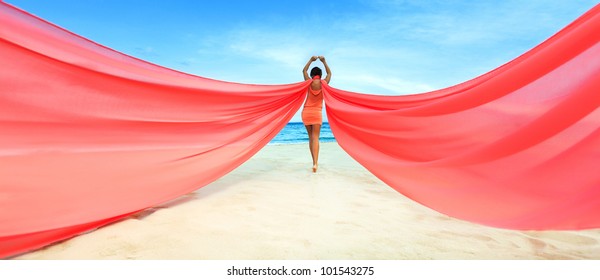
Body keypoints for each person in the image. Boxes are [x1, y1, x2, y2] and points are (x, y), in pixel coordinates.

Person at [302, 55, 331, 173]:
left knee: (310, 138)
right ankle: (315, 163)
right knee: (315, 138)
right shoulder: (324, 83)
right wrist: (324, 61)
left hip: (306, 112)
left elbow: (304, 71)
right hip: (317, 113)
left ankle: (313, 161)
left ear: (312, 74)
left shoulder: (308, 82)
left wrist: (310, 60)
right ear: (320, 74)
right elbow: (329, 74)